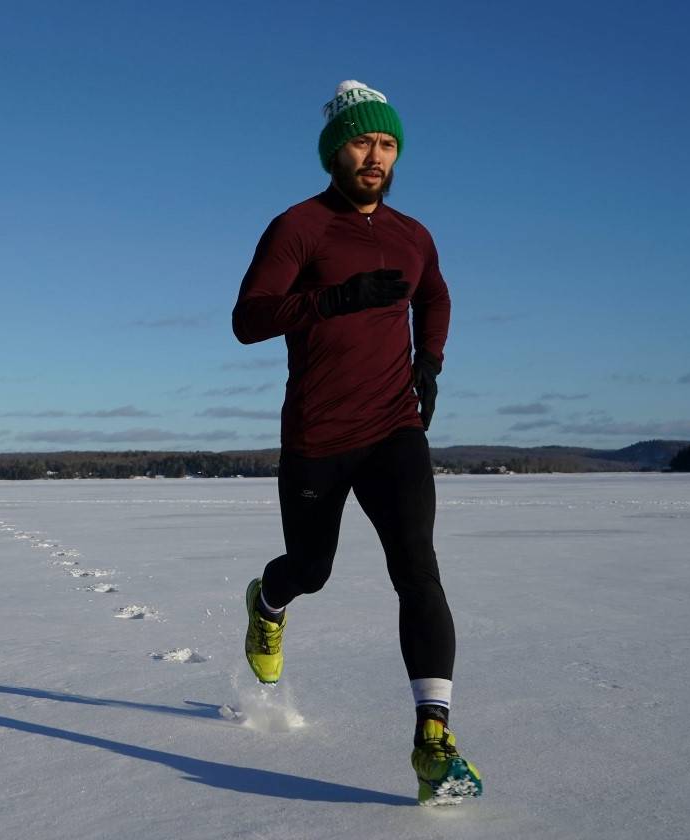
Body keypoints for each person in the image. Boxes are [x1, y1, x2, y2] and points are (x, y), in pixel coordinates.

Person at [230, 80, 482, 806]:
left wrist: (429, 360)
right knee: (311, 568)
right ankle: (268, 604)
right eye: (363, 142)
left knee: (418, 569)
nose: (376, 156)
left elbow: (434, 293)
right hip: (318, 434)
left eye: (388, 144)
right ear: (335, 151)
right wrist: (332, 300)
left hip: (394, 427)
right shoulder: (299, 227)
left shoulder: (413, 235)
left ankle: (433, 739)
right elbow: (248, 319)